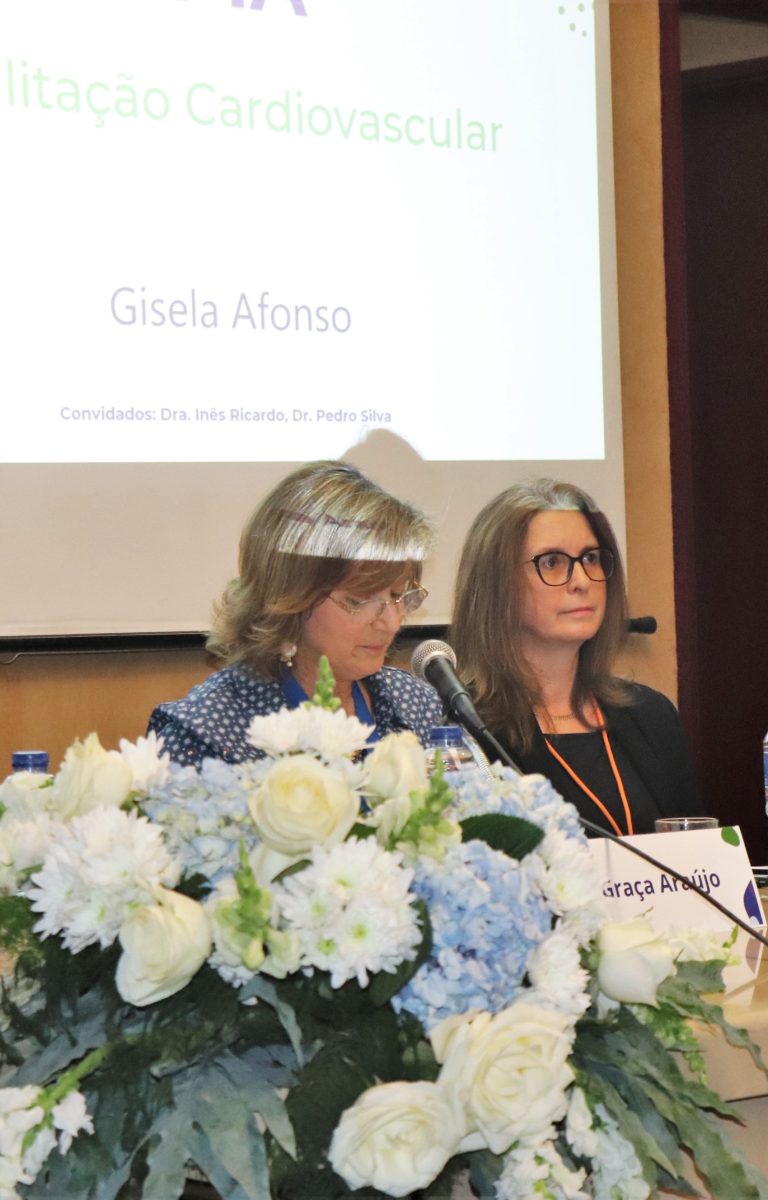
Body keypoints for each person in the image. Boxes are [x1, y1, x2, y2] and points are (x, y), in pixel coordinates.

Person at [148, 461, 445, 767]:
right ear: (288, 596)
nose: (392, 623)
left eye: (397, 596)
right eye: (358, 600)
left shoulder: (414, 704)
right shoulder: (205, 731)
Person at [450, 478, 703, 836]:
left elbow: (698, 854)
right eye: (552, 562)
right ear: (496, 584)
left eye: (590, 558)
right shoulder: (464, 730)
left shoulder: (651, 714)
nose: (582, 580)